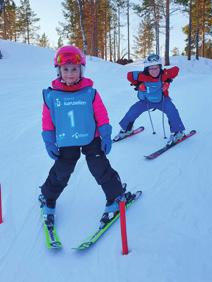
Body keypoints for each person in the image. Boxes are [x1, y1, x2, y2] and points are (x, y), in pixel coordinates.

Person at [39, 45, 132, 229]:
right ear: (59, 71)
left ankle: (115, 195)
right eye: (65, 69)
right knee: (62, 169)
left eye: (74, 69)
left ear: (81, 70)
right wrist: (49, 140)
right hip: (66, 140)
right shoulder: (52, 96)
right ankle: (48, 196)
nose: (70, 74)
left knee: (99, 166)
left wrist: (105, 134)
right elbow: (47, 120)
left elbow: (101, 114)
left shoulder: (90, 92)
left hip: (92, 137)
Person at [114, 54, 186, 145]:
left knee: (172, 111)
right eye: (151, 68)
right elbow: (129, 75)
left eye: (156, 68)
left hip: (162, 100)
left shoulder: (164, 74)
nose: (154, 71)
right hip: (146, 101)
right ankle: (127, 129)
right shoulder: (142, 76)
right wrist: (138, 84)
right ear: (146, 68)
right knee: (133, 111)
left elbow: (176, 69)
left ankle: (178, 132)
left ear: (160, 67)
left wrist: (168, 80)